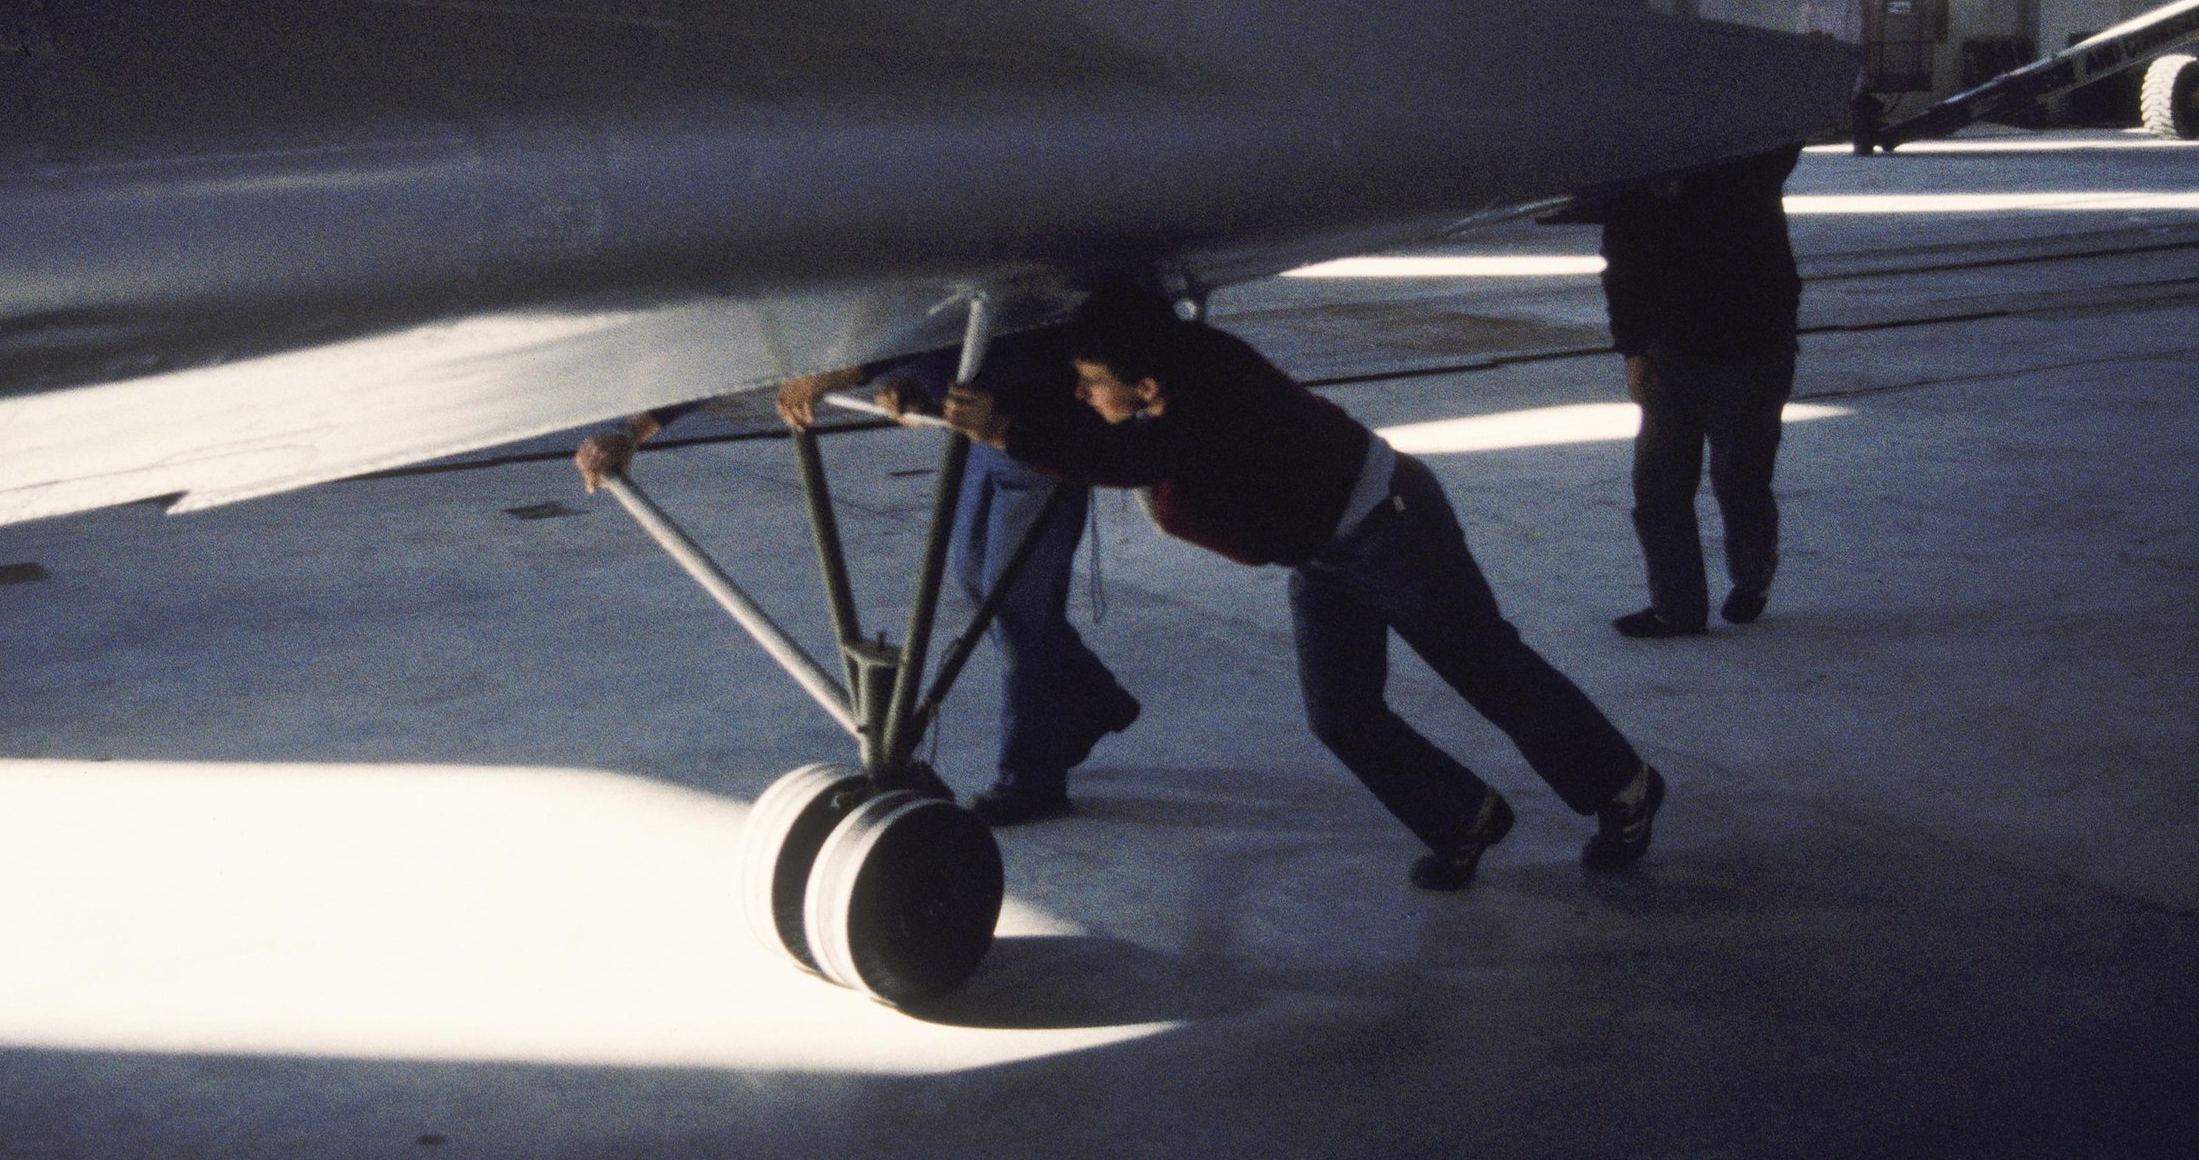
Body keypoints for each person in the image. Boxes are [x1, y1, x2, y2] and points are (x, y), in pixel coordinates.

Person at [941, 283, 1662, 891]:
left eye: (1093, 381)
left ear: (1149, 387)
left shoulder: (1204, 407)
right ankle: (1463, 817)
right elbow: (1099, 420)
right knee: (1340, 712)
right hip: (1325, 551)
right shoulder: (1169, 368)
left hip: (1394, 528)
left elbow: (1125, 455)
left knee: (1488, 669)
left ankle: (1624, 789)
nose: (1081, 393)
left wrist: (1008, 432)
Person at [575, 331, 1139, 827]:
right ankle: (1094, 694)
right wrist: (909, 379)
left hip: (1040, 434)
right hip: (984, 436)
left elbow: (926, 316)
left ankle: (1032, 780)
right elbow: (921, 337)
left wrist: (837, 375)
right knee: (980, 585)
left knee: (1014, 608)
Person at [1598, 144, 1803, 637]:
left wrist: (1634, 349)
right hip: (1684, 352)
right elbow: (1621, 265)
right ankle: (1684, 605)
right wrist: (1634, 350)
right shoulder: (1644, 176)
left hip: (1750, 348)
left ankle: (1740, 585)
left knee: (1736, 478)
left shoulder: (1747, 158)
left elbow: (1620, 265)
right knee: (1665, 487)